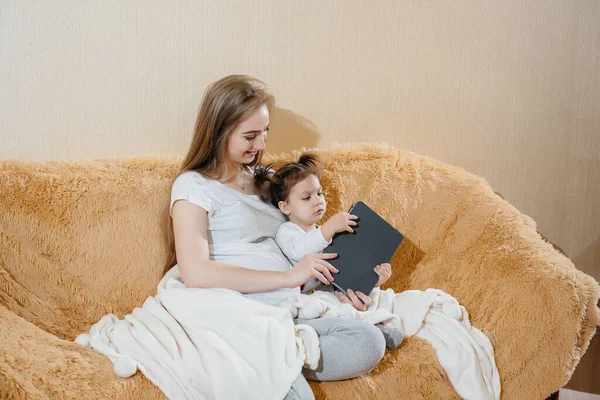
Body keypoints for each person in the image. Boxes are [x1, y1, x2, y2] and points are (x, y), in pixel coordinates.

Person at [165, 75, 387, 400]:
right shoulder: (194, 186)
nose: (262, 145)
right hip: (237, 305)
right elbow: (195, 272)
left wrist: (337, 285)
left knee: (370, 341)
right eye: (250, 136)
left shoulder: (266, 179)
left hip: (285, 303)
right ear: (218, 133)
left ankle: (282, 352)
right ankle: (274, 358)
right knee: (292, 393)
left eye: (265, 132)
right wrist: (288, 276)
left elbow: (296, 241)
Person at [254, 153, 403, 350]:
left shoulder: (322, 232)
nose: (317, 201)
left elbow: (342, 267)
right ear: (285, 206)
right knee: (327, 307)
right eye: (307, 197)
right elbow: (300, 252)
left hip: (333, 290)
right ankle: (369, 327)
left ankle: (374, 322)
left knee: (370, 296)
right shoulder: (288, 231)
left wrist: (372, 278)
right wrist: (329, 229)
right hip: (311, 296)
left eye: (320, 193)